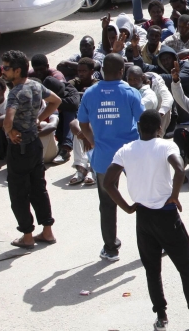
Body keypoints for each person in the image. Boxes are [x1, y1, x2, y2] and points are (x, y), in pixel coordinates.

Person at [103, 110, 189, 331]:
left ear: (138, 126)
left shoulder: (125, 151)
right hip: (167, 215)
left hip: (143, 218)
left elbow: (108, 182)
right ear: (160, 128)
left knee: (152, 271)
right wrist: (175, 195)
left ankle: (161, 319)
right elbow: (179, 169)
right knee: (186, 266)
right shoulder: (167, 146)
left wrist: (128, 207)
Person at [77, 53, 145, 262]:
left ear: (103, 71)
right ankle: (153, 243)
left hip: (104, 157)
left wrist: (93, 140)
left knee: (107, 203)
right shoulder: (131, 93)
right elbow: (143, 123)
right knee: (144, 198)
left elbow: (82, 124)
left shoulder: (89, 93)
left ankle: (110, 249)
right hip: (130, 154)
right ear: (121, 71)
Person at [1, 50, 60, 249]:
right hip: (36, 145)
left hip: (20, 149)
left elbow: (8, 120)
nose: (4, 70)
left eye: (7, 68)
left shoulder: (15, 93)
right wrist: (38, 119)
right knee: (39, 189)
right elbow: (56, 101)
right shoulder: (36, 85)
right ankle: (47, 231)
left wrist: (9, 131)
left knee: (19, 193)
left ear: (17, 71)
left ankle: (27, 236)